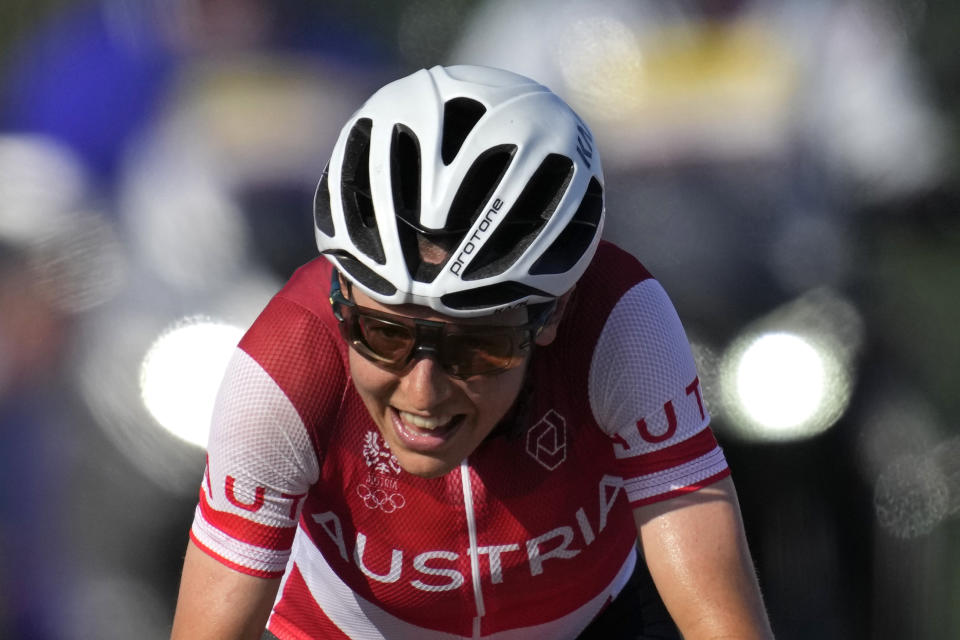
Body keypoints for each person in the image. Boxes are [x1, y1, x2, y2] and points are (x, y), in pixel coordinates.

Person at [171, 64, 774, 639]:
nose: (422, 391)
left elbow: (721, 621)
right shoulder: (286, 367)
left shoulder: (621, 326)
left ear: (555, 312)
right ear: (341, 298)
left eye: (477, 345)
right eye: (384, 335)